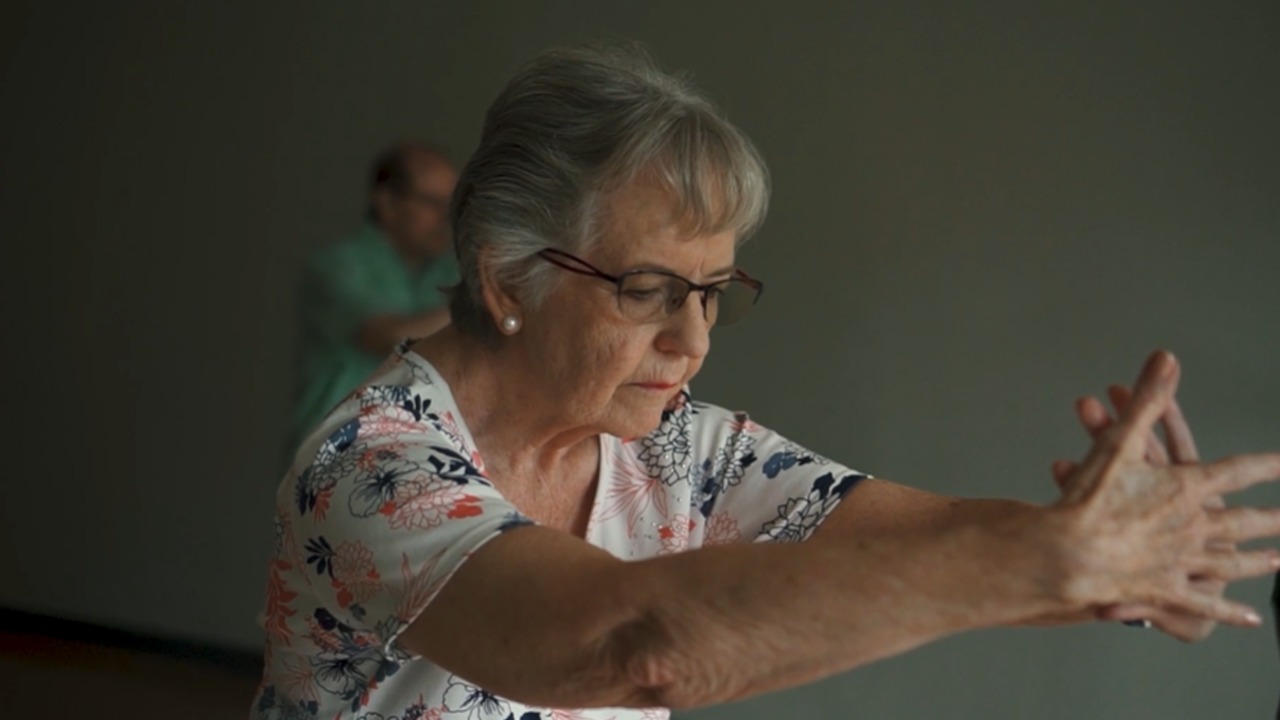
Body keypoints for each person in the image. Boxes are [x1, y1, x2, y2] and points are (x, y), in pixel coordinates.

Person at [252, 43, 1280, 720]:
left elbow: (944, 546)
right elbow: (628, 640)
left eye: (712, 293)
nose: (690, 343)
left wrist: (1127, 565)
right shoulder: (370, 464)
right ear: (504, 277)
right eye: (648, 290)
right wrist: (1055, 563)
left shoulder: (677, 449)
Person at [285, 143, 460, 462]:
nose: (445, 217)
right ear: (386, 203)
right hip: (334, 457)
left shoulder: (447, 271)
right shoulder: (338, 267)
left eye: (453, 204)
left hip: (410, 456)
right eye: (432, 202)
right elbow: (390, 337)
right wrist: (478, 303)